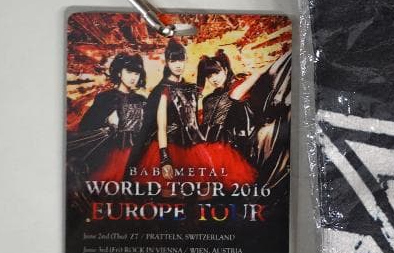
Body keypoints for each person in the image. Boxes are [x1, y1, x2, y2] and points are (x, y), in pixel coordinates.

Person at [134, 40, 256, 186]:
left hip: (194, 146)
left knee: (204, 190)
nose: (178, 65)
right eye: (173, 61)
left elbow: (194, 119)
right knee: (171, 191)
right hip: (170, 146)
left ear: (186, 60)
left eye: (181, 60)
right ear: (167, 62)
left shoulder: (192, 89)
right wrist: (165, 158)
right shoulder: (162, 90)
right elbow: (160, 127)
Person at [69, 51, 147, 181]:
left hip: (136, 157)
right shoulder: (105, 98)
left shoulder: (141, 100)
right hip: (109, 156)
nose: (133, 77)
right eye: (129, 72)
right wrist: (107, 121)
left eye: (136, 73)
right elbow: (85, 126)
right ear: (119, 73)